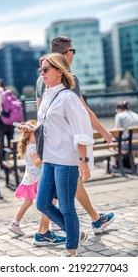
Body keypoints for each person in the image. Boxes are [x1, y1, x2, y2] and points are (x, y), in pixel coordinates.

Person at [33, 36, 115, 245]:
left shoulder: (40, 78)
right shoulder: (68, 77)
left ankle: (88, 221)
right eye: (73, 52)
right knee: (63, 192)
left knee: (56, 193)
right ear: (67, 54)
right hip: (65, 149)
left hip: (50, 147)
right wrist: (104, 131)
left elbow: (40, 112)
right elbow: (82, 110)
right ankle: (72, 228)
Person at [36, 52, 94, 257]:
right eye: (40, 69)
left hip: (67, 160)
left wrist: (83, 161)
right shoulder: (46, 96)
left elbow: (81, 132)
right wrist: (31, 128)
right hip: (50, 159)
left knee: (67, 207)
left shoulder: (68, 97)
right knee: (42, 203)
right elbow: (49, 126)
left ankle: (71, 250)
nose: (41, 73)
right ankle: (75, 234)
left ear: (59, 72)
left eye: (46, 69)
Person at [8, 119, 66, 245]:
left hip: (31, 178)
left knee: (29, 202)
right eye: (38, 134)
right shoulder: (33, 148)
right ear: (31, 134)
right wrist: (48, 156)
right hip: (36, 179)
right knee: (50, 200)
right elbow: (36, 162)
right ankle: (54, 223)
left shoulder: (29, 145)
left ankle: (15, 223)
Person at [110, 101, 138, 168]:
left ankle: (113, 164)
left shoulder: (119, 115)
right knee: (131, 139)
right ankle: (133, 163)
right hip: (137, 143)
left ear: (119, 109)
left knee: (111, 143)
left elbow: (117, 131)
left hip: (128, 145)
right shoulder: (135, 114)